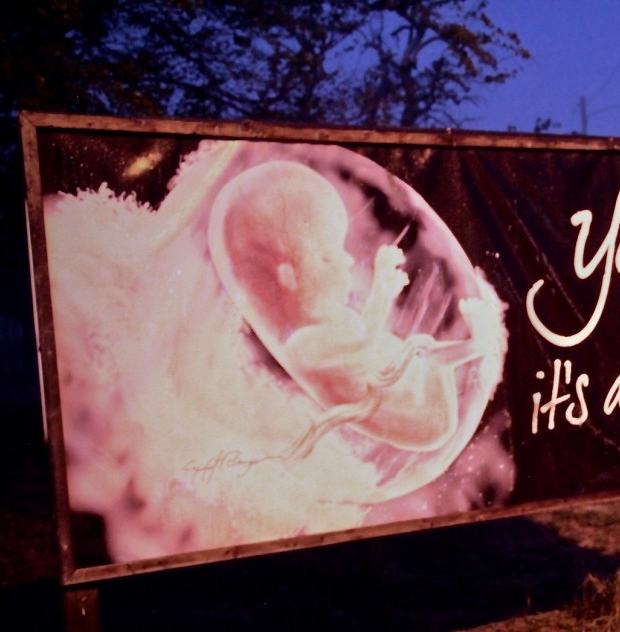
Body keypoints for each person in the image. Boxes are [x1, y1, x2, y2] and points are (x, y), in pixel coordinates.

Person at [207, 159, 495, 455]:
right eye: (328, 258)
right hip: (421, 421)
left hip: (415, 401)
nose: (347, 262)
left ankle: (476, 345)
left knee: (424, 351)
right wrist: (382, 287)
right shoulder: (304, 344)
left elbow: (364, 336)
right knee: (427, 354)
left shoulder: (328, 324)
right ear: (288, 277)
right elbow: (364, 344)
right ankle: (478, 344)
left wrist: (382, 291)